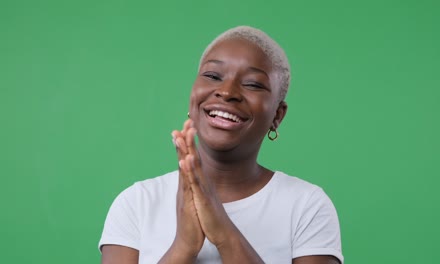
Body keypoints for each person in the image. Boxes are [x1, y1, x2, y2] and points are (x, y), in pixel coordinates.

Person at [99, 26, 343, 264]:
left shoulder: (307, 206)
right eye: (213, 76)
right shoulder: (136, 203)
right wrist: (184, 246)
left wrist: (224, 232)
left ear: (277, 116)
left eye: (253, 84)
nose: (226, 92)